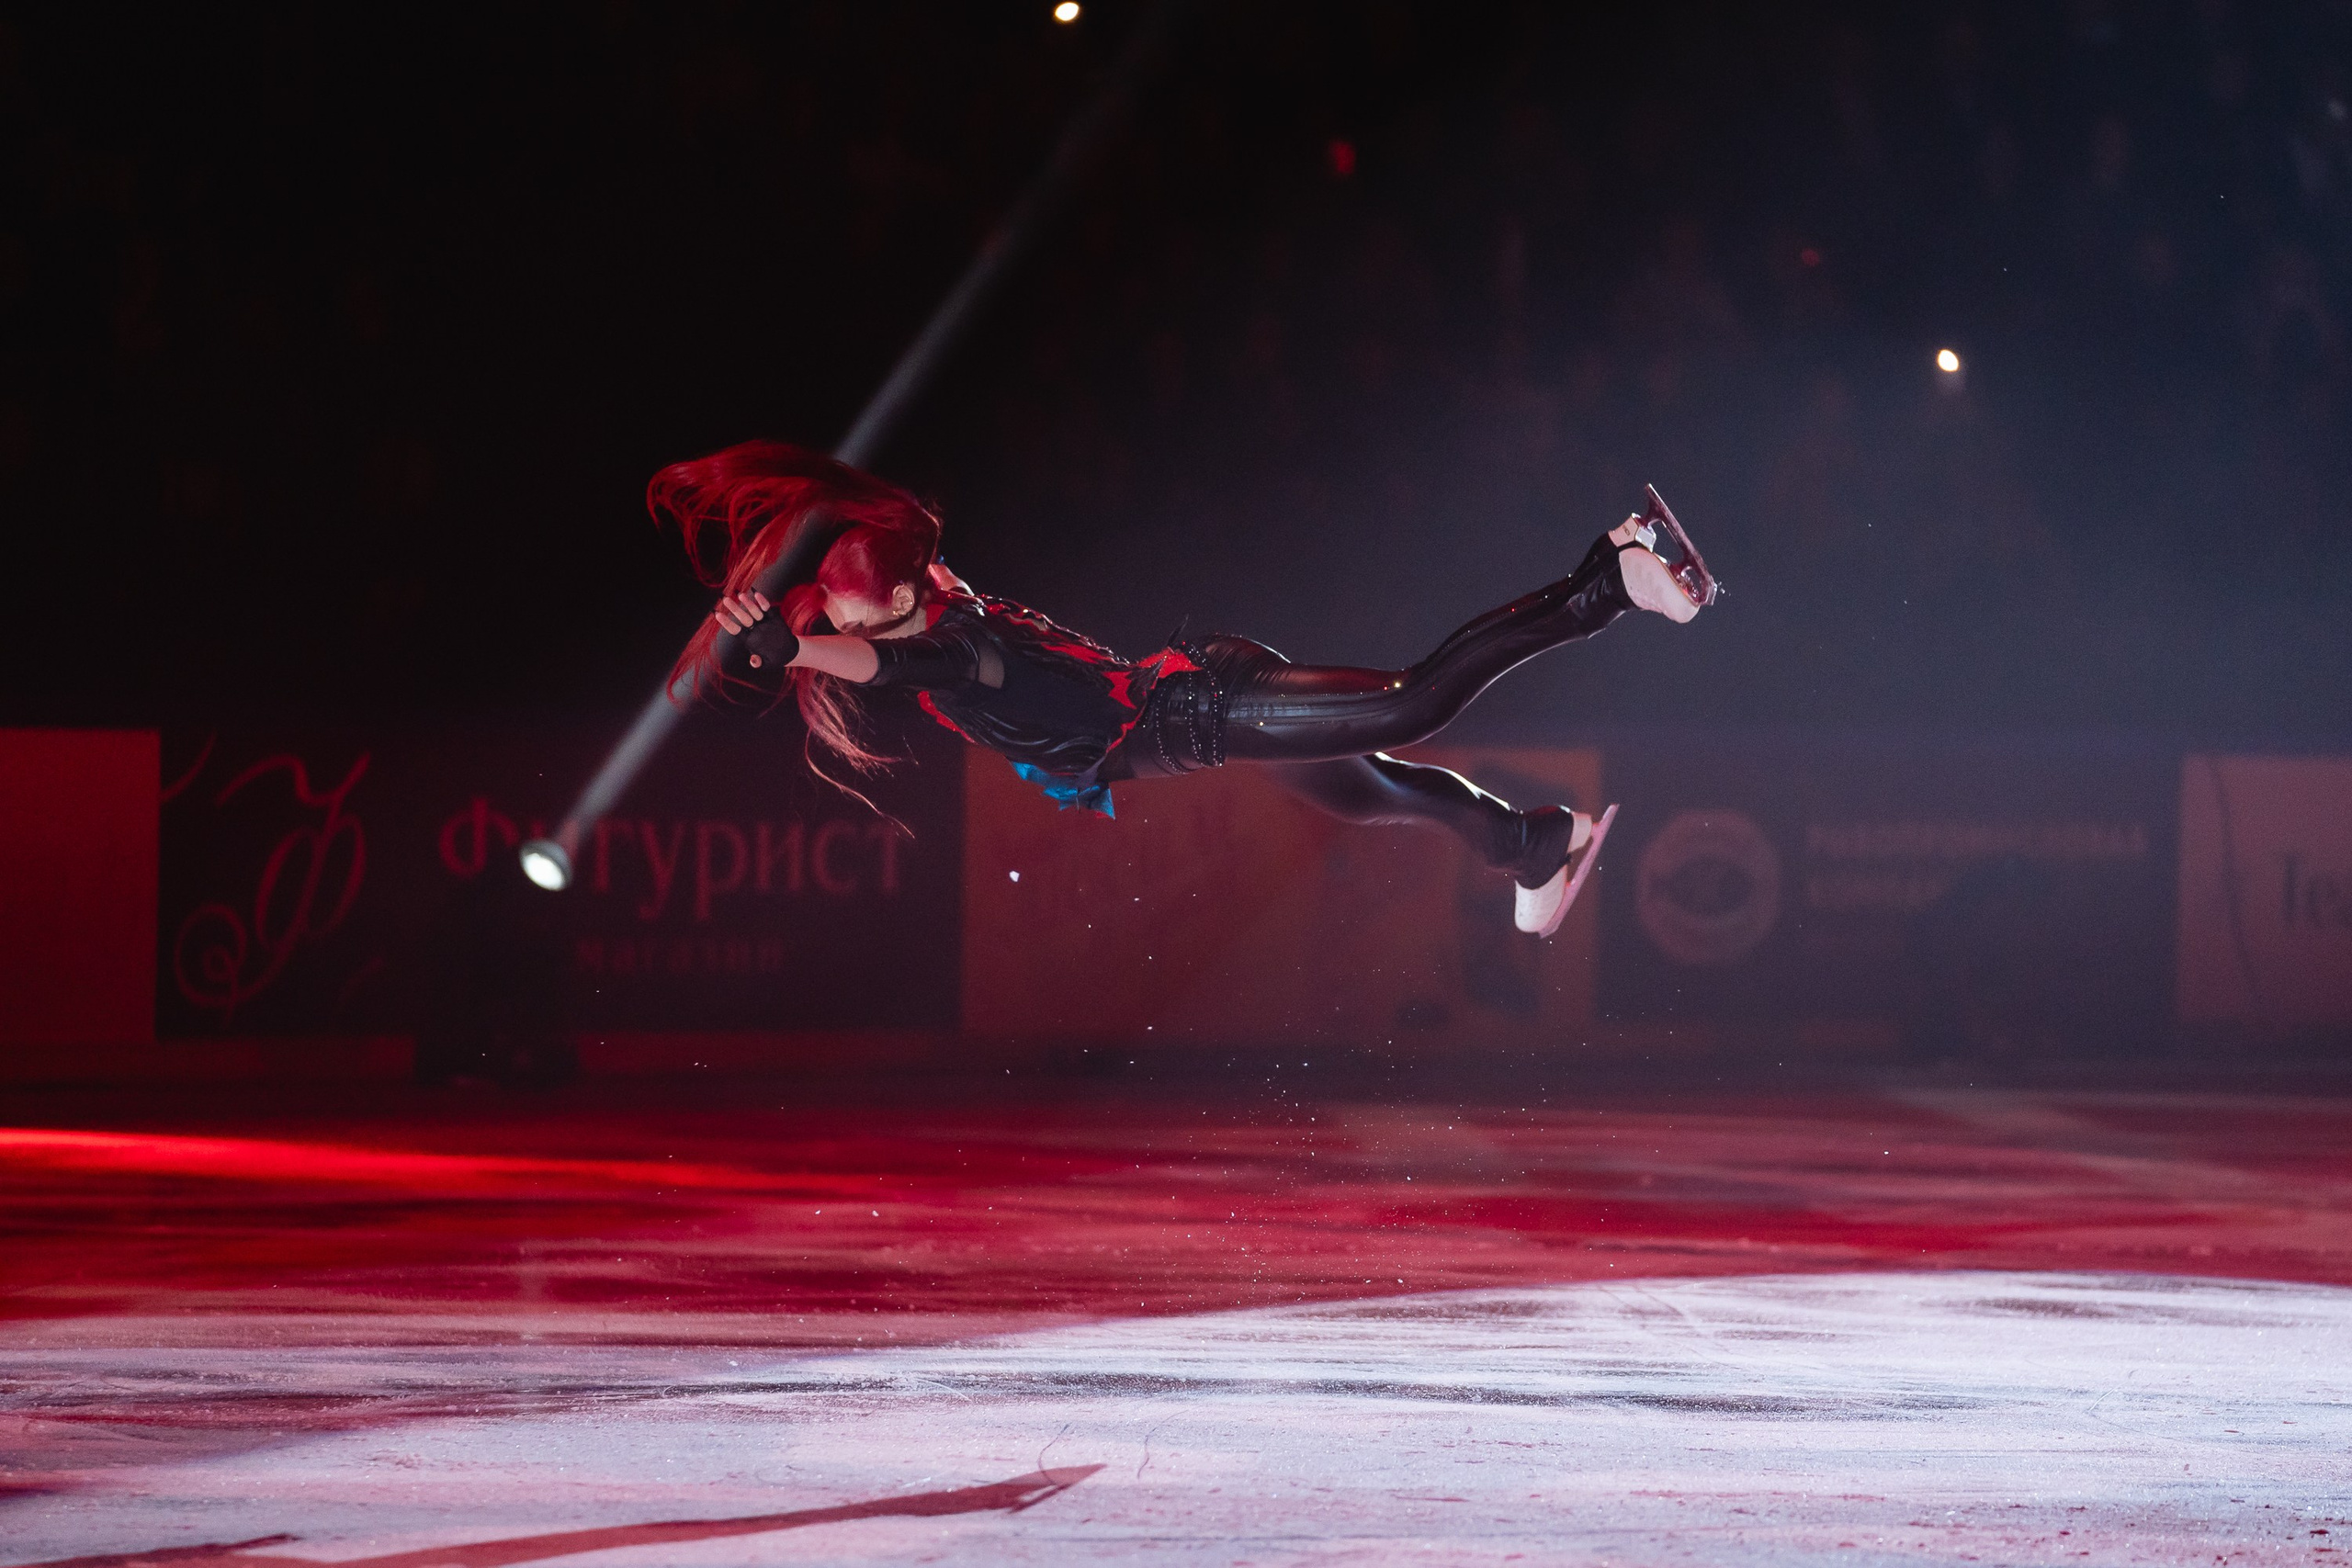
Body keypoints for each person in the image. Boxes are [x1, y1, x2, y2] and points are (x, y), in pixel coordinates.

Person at [663, 441, 1713, 937]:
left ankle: (1606, 581)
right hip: (1201, 706)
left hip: (1203, 709)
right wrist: (768, 625)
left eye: (848, 613)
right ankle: (1529, 842)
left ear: (894, 601)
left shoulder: (946, 644)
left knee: (1411, 701)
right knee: (1366, 788)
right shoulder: (927, 589)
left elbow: (877, 664)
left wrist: (793, 654)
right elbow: (848, 604)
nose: (835, 622)